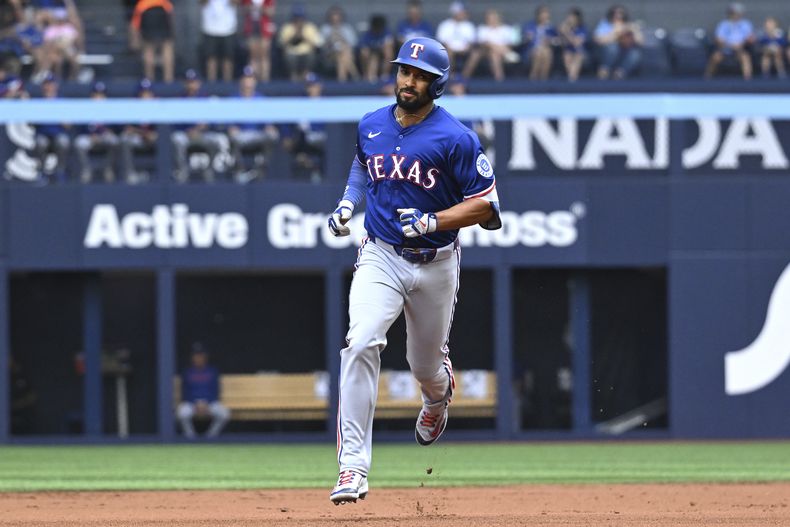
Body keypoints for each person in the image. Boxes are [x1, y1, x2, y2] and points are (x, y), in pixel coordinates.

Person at [326, 37, 501, 505]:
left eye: (421, 76)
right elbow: (363, 165)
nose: (410, 81)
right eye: (405, 71)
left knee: (424, 365)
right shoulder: (371, 123)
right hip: (381, 254)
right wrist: (348, 202)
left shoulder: (456, 137)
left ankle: (437, 397)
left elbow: (487, 205)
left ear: (437, 84)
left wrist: (434, 221)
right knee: (360, 342)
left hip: (436, 262)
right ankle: (352, 467)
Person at [170, 69, 227, 182]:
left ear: (199, 83)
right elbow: (175, 124)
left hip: (203, 135)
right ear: (185, 84)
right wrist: (188, 130)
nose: (191, 85)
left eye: (193, 82)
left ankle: (211, 169)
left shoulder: (207, 99)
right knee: (177, 139)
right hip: (187, 135)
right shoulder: (179, 100)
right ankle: (182, 170)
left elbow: (215, 123)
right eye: (189, 82)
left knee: (220, 139)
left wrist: (204, 126)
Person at [227, 66, 279, 182]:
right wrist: (231, 127)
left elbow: (268, 123)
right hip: (241, 135)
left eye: (250, 78)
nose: (248, 82)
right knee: (231, 136)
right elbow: (228, 123)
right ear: (240, 81)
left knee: (273, 134)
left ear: (255, 81)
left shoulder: (261, 99)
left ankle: (261, 167)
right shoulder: (233, 99)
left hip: (257, 134)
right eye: (245, 78)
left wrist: (269, 127)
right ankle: (239, 169)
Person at [177, 343, 230, 439]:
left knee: (224, 413)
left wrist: (206, 403)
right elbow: (185, 393)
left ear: (205, 357)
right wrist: (195, 403)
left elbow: (216, 391)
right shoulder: (187, 372)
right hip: (192, 404)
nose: (198, 358)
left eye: (201, 355)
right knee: (182, 413)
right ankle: (191, 438)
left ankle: (211, 437)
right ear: (192, 358)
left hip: (210, 403)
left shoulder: (213, 371)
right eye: (196, 356)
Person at [74, 81, 121, 183]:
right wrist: (90, 135)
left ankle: (107, 168)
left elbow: (117, 128)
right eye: (96, 95)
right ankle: (86, 169)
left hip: (105, 137)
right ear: (91, 96)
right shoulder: (85, 109)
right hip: (90, 138)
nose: (98, 98)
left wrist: (107, 132)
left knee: (115, 141)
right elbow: (80, 128)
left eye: (101, 95)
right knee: (79, 142)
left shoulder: (110, 109)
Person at [33, 72, 70, 183]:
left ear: (55, 86)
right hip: (43, 134)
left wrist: (56, 113)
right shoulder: (37, 103)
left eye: (51, 84)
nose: (48, 87)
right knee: (40, 142)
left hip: (58, 134)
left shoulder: (62, 102)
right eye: (46, 84)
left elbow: (68, 125)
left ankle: (60, 171)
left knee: (63, 141)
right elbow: (31, 123)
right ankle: (42, 171)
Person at [120, 78, 157, 183]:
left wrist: (153, 134)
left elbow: (163, 130)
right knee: (124, 139)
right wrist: (141, 133)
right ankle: (129, 174)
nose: (145, 96)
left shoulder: (157, 106)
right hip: (137, 137)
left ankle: (164, 174)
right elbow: (127, 128)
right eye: (143, 93)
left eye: (148, 93)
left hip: (153, 138)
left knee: (164, 140)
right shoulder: (132, 106)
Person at [704, 2, 754, 80]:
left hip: (740, 49)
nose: (735, 15)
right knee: (715, 57)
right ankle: (707, 78)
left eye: (737, 13)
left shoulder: (746, 24)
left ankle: (747, 79)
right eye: (733, 13)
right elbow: (718, 39)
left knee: (745, 58)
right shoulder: (723, 24)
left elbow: (750, 38)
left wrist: (742, 44)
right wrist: (730, 45)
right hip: (725, 49)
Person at [593, 4, 643, 80]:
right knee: (613, 48)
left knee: (635, 54)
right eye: (615, 13)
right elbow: (597, 40)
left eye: (621, 13)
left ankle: (619, 73)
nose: (618, 15)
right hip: (606, 53)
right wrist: (615, 33)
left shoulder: (629, 25)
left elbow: (641, 42)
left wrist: (635, 31)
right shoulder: (605, 24)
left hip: (624, 53)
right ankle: (604, 71)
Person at [129, 0, 174, 83]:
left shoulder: (141, 4)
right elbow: (171, 15)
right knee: (165, 47)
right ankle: (168, 79)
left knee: (149, 49)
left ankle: (150, 79)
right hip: (159, 14)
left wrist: (134, 40)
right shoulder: (164, 3)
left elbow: (134, 24)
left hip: (151, 15)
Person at [277, 4, 322, 81]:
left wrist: (304, 37)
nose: (299, 20)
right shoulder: (287, 27)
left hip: (306, 53)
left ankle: (305, 75)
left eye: (300, 17)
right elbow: (281, 45)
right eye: (296, 17)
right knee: (289, 56)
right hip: (292, 53)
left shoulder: (310, 27)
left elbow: (317, 46)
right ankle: (293, 76)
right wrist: (293, 37)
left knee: (311, 56)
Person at [435, 1, 479, 78]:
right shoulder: (445, 25)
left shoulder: (469, 25)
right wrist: (449, 48)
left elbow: (472, 42)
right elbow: (441, 41)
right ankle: (449, 78)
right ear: (455, 12)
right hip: (449, 50)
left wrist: (467, 48)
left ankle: (464, 77)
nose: (464, 14)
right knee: (448, 52)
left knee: (476, 53)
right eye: (462, 12)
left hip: (465, 51)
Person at [475, 8, 519, 81]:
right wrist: (497, 47)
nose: (491, 20)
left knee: (494, 54)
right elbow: (483, 43)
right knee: (489, 46)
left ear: (498, 18)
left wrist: (498, 48)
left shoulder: (507, 29)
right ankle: (507, 54)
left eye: (493, 18)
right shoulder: (482, 28)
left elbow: (511, 44)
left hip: (499, 51)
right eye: (489, 18)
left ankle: (499, 77)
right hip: (485, 52)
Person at [200, 0, 238, 82]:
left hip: (228, 28)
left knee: (228, 58)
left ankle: (227, 83)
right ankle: (211, 83)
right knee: (211, 58)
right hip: (210, 28)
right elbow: (202, 2)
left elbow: (236, 2)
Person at [319, 5, 358, 82]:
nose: (335, 18)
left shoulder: (347, 28)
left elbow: (353, 44)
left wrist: (340, 37)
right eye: (333, 15)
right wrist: (330, 38)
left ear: (341, 17)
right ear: (329, 17)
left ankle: (342, 79)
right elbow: (320, 45)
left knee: (342, 55)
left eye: (337, 15)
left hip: (346, 53)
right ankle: (355, 75)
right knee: (342, 54)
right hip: (329, 54)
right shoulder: (325, 28)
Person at [240, 0, 275, 81]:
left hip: (264, 27)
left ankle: (264, 79)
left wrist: (260, 9)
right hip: (251, 26)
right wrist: (251, 8)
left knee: (264, 54)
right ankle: (253, 79)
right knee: (253, 55)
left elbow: (271, 12)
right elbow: (243, 10)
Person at [521, 5, 558, 81]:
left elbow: (557, 41)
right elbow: (524, 39)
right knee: (539, 52)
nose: (544, 17)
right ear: (538, 15)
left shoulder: (551, 28)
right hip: (531, 50)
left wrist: (550, 40)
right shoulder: (529, 25)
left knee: (546, 52)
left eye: (546, 15)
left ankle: (543, 78)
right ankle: (534, 76)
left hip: (546, 50)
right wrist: (528, 37)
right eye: (542, 15)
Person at [358, 14, 394, 82]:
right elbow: (363, 46)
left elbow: (390, 43)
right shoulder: (368, 34)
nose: (378, 29)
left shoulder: (386, 32)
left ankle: (384, 75)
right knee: (366, 54)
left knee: (388, 51)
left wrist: (382, 47)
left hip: (382, 52)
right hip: (372, 54)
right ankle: (367, 75)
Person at [558, 7, 588, 82]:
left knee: (578, 55)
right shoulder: (565, 27)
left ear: (577, 18)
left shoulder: (582, 28)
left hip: (580, 51)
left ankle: (572, 79)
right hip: (568, 50)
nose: (569, 18)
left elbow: (576, 43)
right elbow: (561, 42)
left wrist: (566, 33)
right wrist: (561, 32)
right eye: (568, 16)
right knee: (567, 55)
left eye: (571, 17)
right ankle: (571, 79)